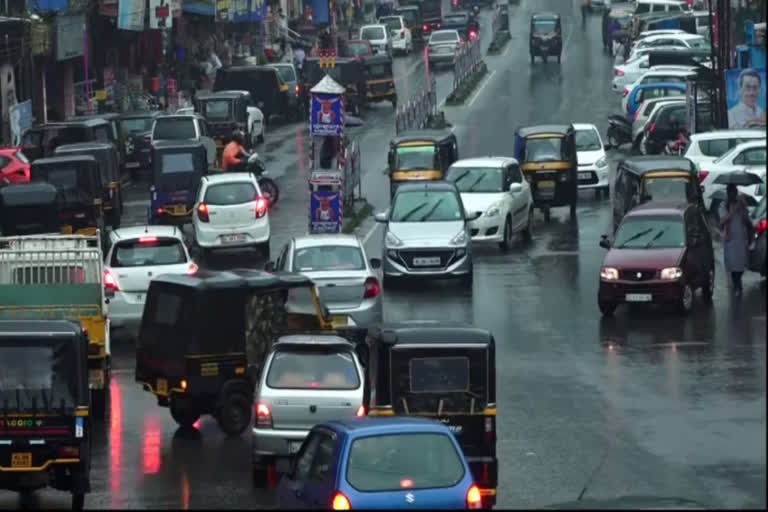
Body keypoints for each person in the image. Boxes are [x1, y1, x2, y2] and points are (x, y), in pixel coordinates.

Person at [719, 183, 753, 296]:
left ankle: (738, 282)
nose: (733, 195)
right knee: (733, 265)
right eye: (731, 193)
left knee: (741, 263)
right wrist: (732, 211)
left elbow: (747, 220)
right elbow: (722, 221)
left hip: (741, 238)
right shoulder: (724, 205)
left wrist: (742, 208)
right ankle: (737, 284)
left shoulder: (741, 204)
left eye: (735, 192)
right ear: (728, 194)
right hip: (730, 239)